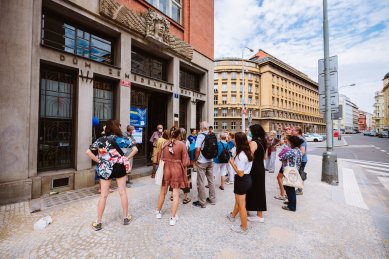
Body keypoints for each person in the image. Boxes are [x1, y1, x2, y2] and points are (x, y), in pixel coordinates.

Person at [86, 119, 135, 231]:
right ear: (117, 127)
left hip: (106, 168)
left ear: (107, 128)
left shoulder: (101, 140)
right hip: (119, 167)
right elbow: (135, 149)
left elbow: (88, 152)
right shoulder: (124, 139)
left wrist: (99, 161)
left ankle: (98, 222)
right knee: (122, 193)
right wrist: (126, 158)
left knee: (103, 195)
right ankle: (126, 218)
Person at [155, 127, 190, 226]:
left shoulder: (164, 143)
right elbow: (186, 162)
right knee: (175, 194)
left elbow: (159, 158)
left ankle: (158, 211)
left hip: (165, 168)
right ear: (179, 135)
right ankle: (173, 217)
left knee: (163, 191)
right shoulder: (182, 144)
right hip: (177, 170)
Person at [226, 132, 253, 234]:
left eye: (234, 139)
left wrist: (232, 163)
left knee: (242, 205)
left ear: (238, 141)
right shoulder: (247, 151)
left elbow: (240, 173)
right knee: (238, 201)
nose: (233, 140)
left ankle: (243, 228)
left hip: (242, 180)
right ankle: (232, 216)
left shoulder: (241, 156)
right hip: (247, 179)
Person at [246, 124, 267, 223]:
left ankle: (259, 216)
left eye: (250, 131)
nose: (248, 132)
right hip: (260, 167)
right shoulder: (263, 141)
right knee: (259, 189)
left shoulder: (254, 142)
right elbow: (265, 157)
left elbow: (249, 156)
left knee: (254, 189)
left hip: (254, 168)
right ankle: (254, 210)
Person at [193, 121, 217, 208]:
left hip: (202, 162)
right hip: (210, 161)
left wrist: (195, 160)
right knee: (211, 181)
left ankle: (202, 202)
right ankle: (212, 199)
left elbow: (197, 150)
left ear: (202, 127)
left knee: (200, 182)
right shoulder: (212, 134)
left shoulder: (200, 136)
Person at [279, 135, 304, 212]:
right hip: (295, 170)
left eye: (289, 142)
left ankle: (292, 206)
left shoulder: (291, 151)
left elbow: (281, 157)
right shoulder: (298, 150)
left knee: (290, 188)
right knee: (290, 187)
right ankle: (290, 202)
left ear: (292, 143)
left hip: (289, 171)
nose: (288, 143)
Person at [274, 132, 290, 200]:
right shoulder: (285, 146)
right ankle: (284, 193)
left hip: (285, 165)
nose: (280, 140)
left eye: (282, 139)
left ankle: (282, 194)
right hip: (285, 165)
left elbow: (280, 155)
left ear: (285, 140)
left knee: (279, 178)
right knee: (281, 178)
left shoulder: (285, 147)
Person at [293, 127, 307, 195]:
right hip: (300, 160)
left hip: (301, 160)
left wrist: (294, 157)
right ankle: (299, 189)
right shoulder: (297, 138)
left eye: (293, 130)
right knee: (298, 174)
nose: (292, 131)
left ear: (297, 131)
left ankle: (300, 190)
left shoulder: (301, 139)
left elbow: (302, 152)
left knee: (300, 174)